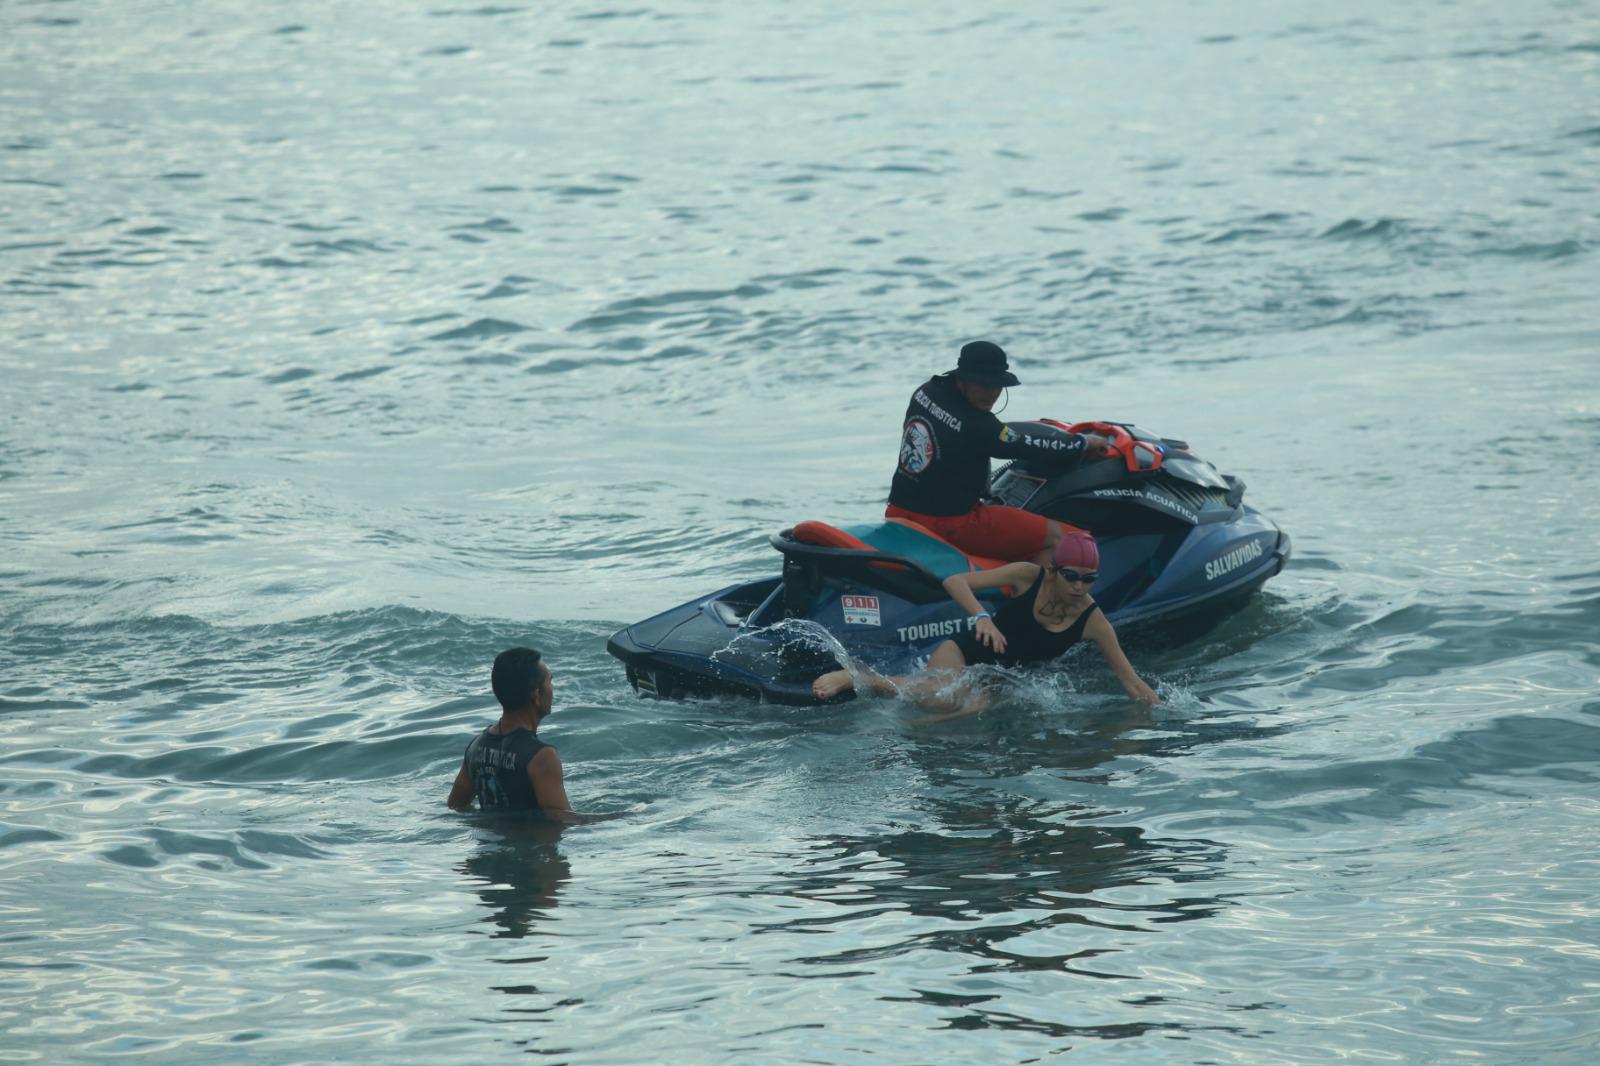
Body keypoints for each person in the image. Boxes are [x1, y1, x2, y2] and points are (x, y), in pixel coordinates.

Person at [811, 531, 1160, 712]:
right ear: (1054, 570)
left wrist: (1161, 718)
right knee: (942, 695)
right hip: (963, 653)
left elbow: (1130, 680)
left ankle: (893, 730)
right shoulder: (1027, 576)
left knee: (964, 713)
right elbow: (956, 582)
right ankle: (856, 678)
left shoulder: (1093, 621)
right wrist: (982, 617)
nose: (1079, 587)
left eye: (1089, 579)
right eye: (1071, 576)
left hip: (997, 683)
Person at [888, 340, 1112, 566]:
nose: (991, 393)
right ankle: (1038, 589)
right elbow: (1025, 445)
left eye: (997, 385)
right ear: (962, 378)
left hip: (898, 509)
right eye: (983, 384)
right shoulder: (979, 425)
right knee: (1063, 539)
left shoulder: (926, 392)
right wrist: (1082, 443)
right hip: (951, 523)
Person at [447, 646, 595, 821]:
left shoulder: (476, 747)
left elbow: (455, 805)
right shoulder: (542, 757)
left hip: (490, 838)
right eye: (550, 681)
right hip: (529, 839)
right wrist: (622, 816)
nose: (552, 688)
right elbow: (564, 821)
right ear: (537, 695)